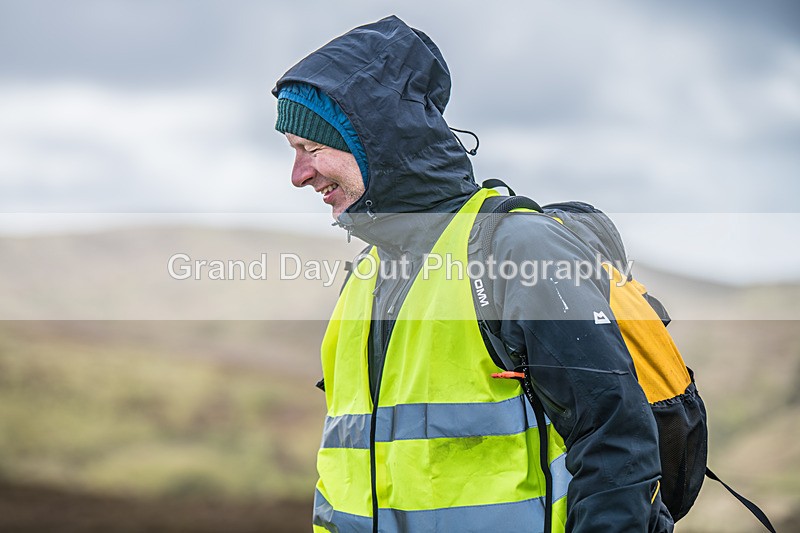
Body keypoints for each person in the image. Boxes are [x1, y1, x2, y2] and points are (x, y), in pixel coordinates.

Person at [273, 15, 674, 533]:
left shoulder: (515, 248)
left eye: (313, 149)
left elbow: (619, 446)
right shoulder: (368, 273)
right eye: (293, 153)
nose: (298, 176)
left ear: (377, 142)